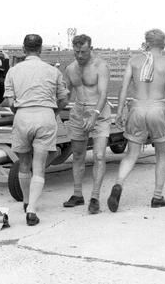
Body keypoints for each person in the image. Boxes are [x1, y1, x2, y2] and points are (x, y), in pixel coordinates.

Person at [108, 29, 165, 212]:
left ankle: (118, 184)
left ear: (146, 43)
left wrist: (118, 112)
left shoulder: (134, 61)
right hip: (157, 109)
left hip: (137, 109)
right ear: (164, 44)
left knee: (131, 154)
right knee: (161, 155)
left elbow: (124, 88)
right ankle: (157, 197)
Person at [3, 34, 68, 225]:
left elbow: (9, 101)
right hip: (45, 115)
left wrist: (20, 110)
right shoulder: (52, 71)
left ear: (24, 49)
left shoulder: (13, 71)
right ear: (40, 50)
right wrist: (53, 111)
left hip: (23, 116)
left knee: (24, 163)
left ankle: (25, 200)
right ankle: (32, 208)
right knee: (39, 167)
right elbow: (63, 99)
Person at [62, 34, 110, 214]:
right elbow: (66, 94)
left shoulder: (101, 66)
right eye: (76, 52)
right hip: (78, 112)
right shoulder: (71, 68)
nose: (79, 55)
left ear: (90, 48)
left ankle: (95, 197)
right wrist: (54, 110)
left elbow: (103, 94)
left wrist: (94, 116)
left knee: (98, 155)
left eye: (82, 52)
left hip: (98, 111)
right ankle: (77, 195)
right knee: (78, 155)